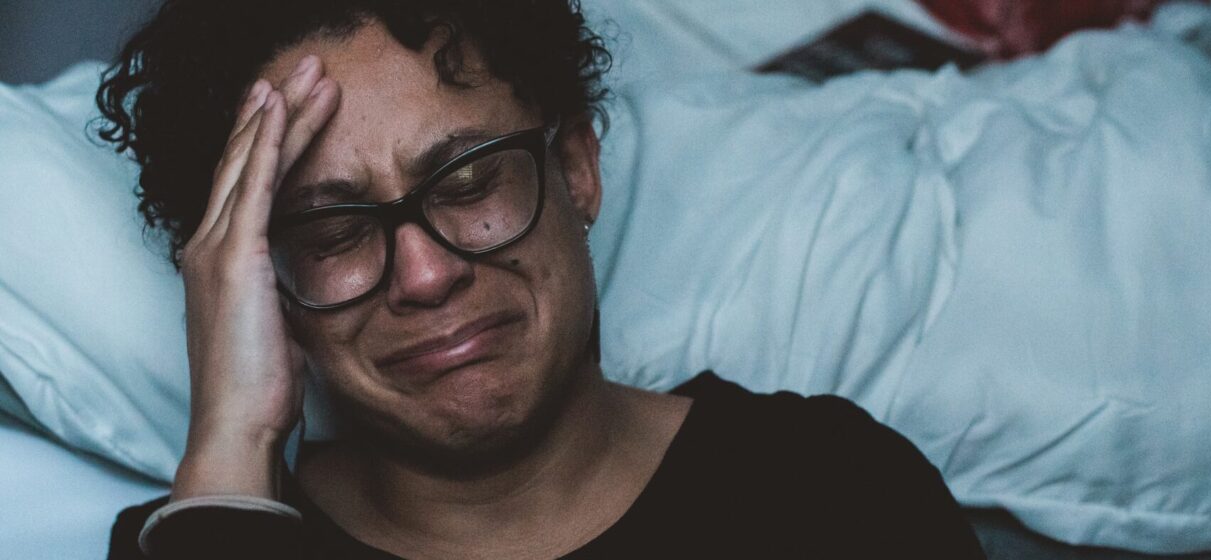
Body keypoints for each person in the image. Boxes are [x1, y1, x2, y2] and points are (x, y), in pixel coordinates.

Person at [98, 1, 986, 558]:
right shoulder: (204, 536)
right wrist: (233, 442)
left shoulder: (828, 488)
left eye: (471, 182)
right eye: (333, 232)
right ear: (257, 279)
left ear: (576, 169)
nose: (427, 272)